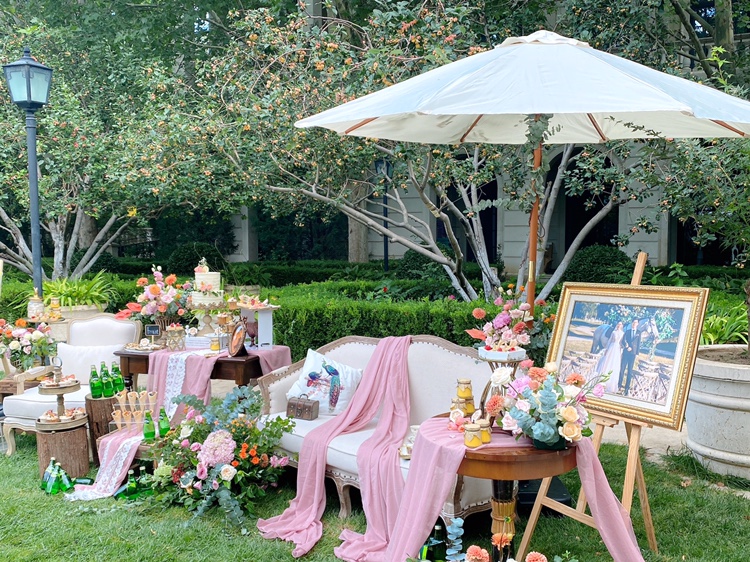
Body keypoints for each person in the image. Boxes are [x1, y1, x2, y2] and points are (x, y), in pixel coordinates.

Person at [596, 321, 623, 393]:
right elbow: (610, 341)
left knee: (614, 363)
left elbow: (621, 343)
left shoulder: (622, 333)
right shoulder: (613, 332)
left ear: (622, 326)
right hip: (612, 347)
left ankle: (611, 383)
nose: (619, 325)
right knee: (607, 362)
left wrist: (621, 351)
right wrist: (607, 349)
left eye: (620, 324)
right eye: (618, 324)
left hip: (617, 349)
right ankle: (602, 378)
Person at [619, 318, 641, 394]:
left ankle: (627, 388)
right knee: (622, 369)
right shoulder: (627, 332)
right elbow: (623, 341)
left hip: (633, 354)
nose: (634, 324)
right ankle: (619, 385)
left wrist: (636, 353)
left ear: (637, 324)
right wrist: (626, 346)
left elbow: (638, 343)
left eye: (636, 323)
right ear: (632, 323)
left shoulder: (639, 332)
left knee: (630, 371)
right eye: (633, 322)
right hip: (626, 353)